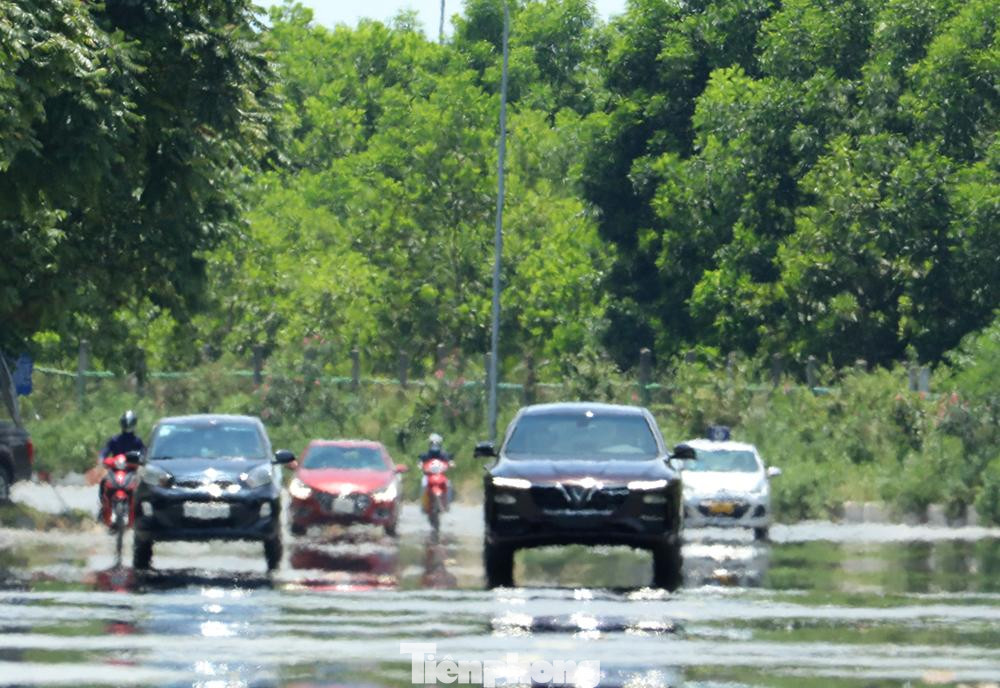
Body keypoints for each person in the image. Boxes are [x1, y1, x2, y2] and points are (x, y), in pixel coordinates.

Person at [97, 410, 145, 524]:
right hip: (115, 470)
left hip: (131, 471)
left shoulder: (137, 441)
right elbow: (105, 451)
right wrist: (102, 458)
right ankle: (103, 507)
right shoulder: (115, 439)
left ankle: (140, 511)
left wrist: (142, 459)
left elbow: (144, 452)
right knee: (103, 482)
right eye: (126, 423)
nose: (128, 425)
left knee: (143, 486)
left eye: (130, 423)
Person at [418, 433, 454, 509]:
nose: (434, 445)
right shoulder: (426, 455)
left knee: (448, 484)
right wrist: (420, 464)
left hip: (440, 475)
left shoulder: (443, 454)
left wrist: (450, 463)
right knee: (423, 484)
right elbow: (421, 460)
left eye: (436, 443)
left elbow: (448, 459)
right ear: (429, 444)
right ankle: (424, 504)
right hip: (428, 476)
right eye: (432, 443)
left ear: (440, 444)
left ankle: (447, 503)